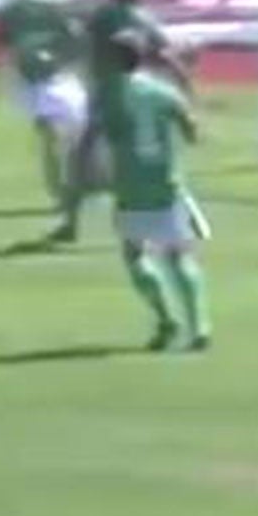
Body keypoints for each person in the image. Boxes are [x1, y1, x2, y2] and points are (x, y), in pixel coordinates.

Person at [104, 30, 211, 352]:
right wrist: (186, 83)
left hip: (129, 184)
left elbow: (100, 137)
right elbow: (193, 133)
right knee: (179, 257)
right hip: (166, 182)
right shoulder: (164, 93)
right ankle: (199, 327)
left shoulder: (109, 94)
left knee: (135, 255)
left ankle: (166, 319)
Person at [50, 0, 169, 245]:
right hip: (136, 102)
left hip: (104, 100)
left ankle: (71, 225)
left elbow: (77, 38)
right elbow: (161, 52)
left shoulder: (103, 15)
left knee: (80, 164)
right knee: (133, 167)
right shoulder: (143, 18)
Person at [0, 0, 86, 207]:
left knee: (72, 139)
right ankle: (63, 194)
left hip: (58, 80)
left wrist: (57, 58)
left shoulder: (48, 7)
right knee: (52, 135)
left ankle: (71, 188)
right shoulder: (10, 12)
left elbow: (77, 42)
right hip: (32, 82)